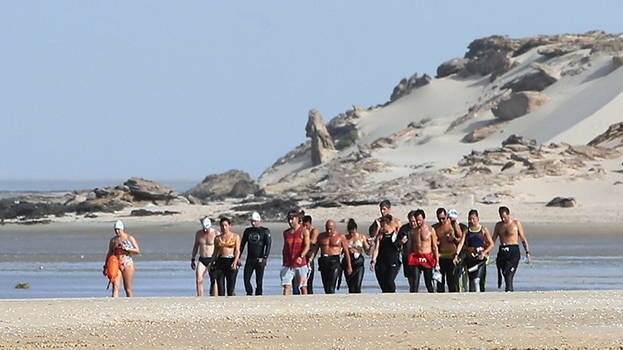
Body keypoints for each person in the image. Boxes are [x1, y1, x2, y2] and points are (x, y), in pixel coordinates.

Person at [493, 206, 531, 292]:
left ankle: (509, 291)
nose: (503, 219)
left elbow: (523, 239)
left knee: (509, 273)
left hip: (513, 251)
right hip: (502, 251)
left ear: (508, 214)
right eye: (501, 217)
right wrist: (486, 252)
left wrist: (527, 253)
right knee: (504, 273)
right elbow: (493, 240)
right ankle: (509, 291)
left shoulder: (516, 224)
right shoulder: (498, 225)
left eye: (504, 217)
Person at [312, 220, 352, 294]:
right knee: (326, 286)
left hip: (334, 261)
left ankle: (332, 299)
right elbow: (315, 250)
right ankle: (328, 301)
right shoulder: (321, 236)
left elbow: (346, 252)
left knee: (331, 285)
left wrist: (349, 266)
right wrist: (310, 260)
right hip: (324, 260)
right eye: (327, 229)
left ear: (334, 228)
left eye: (331, 229)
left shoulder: (340, 236)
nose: (329, 231)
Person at [103, 220, 140, 297]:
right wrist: (106, 266)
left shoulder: (129, 238)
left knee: (127, 288)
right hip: (116, 264)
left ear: (122, 229)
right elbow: (109, 253)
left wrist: (127, 249)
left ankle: (131, 304)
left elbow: (137, 250)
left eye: (118, 229)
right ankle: (114, 304)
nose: (117, 231)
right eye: (115, 229)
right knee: (115, 287)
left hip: (127, 263)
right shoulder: (113, 240)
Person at [370, 215, 407, 293]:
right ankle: (386, 298)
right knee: (383, 283)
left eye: (383, 226)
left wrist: (401, 242)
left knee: (389, 280)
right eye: (381, 226)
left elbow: (401, 245)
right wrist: (373, 261)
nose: (382, 228)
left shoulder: (395, 234)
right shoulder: (380, 236)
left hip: (393, 262)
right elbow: (376, 249)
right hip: (381, 262)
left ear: (388, 224)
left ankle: (393, 295)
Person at [407, 209, 439, 293]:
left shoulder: (430, 230)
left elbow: (435, 246)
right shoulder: (413, 231)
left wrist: (437, 262)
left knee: (428, 281)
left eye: (419, 220)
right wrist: (409, 258)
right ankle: (415, 296)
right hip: (416, 257)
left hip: (427, 256)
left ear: (424, 219)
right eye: (417, 220)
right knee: (415, 280)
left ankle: (431, 294)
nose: (418, 222)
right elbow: (410, 246)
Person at [240, 212, 271, 296]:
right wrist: (238, 257)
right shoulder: (247, 231)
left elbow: (268, 245)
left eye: (255, 221)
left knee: (259, 280)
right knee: (246, 278)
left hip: (260, 258)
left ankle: (259, 294)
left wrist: (265, 257)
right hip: (250, 259)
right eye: (252, 221)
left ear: (259, 221)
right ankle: (249, 292)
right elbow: (242, 245)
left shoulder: (264, 231)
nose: (253, 223)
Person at [433, 208, 464, 293]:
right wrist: (436, 242)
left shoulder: (453, 225)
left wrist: (453, 239)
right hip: (440, 256)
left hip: (451, 256)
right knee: (440, 282)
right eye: (439, 218)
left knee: (451, 281)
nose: (441, 220)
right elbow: (433, 241)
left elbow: (461, 239)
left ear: (447, 216)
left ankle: (453, 297)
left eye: (443, 218)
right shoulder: (435, 227)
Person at [462, 209, 494, 292]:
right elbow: (461, 244)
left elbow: (491, 244)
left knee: (479, 280)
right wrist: (456, 255)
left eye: (473, 218)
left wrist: (484, 253)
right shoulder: (466, 231)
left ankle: (481, 297)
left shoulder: (483, 229)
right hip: (470, 258)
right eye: (469, 219)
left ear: (477, 218)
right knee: (472, 280)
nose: (472, 221)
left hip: (481, 259)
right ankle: (472, 298)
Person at [281, 210, 311, 295]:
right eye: (288, 219)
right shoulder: (286, 233)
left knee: (302, 286)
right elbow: (285, 247)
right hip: (288, 263)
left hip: (301, 263)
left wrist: (301, 256)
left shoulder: (304, 231)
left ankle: (305, 302)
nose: (290, 221)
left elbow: (307, 246)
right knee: (286, 285)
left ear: (297, 219)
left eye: (292, 219)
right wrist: (284, 260)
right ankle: (285, 302)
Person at [212, 217, 241, 296]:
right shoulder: (217, 238)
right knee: (221, 287)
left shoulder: (235, 236)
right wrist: (211, 262)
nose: (224, 227)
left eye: (225, 225)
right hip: (221, 261)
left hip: (231, 260)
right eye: (222, 226)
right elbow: (215, 252)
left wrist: (235, 262)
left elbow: (237, 251)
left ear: (229, 226)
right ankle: (222, 304)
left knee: (230, 287)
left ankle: (231, 303)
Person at [191, 217, 218, 296]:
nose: (205, 230)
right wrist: (193, 258)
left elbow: (220, 247)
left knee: (214, 280)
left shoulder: (216, 233)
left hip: (212, 259)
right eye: (204, 228)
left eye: (207, 228)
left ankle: (215, 297)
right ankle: (200, 297)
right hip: (202, 259)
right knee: (199, 279)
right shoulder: (199, 234)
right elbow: (196, 246)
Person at [343, 219, 370, 293]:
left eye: (353, 232)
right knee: (351, 286)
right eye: (350, 232)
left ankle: (358, 299)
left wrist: (370, 245)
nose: (352, 234)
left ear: (356, 229)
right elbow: (342, 251)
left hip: (358, 262)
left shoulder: (361, 237)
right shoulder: (345, 238)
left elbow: (368, 251)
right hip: (348, 260)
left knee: (357, 285)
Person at [447, 209, 469, 292]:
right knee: (452, 276)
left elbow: (461, 240)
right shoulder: (445, 226)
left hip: (461, 253)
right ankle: (454, 290)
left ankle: (462, 290)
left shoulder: (462, 227)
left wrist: (454, 238)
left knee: (461, 274)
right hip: (450, 254)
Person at [302, 215, 320, 294]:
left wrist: (304, 236)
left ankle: (309, 295)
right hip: (302, 257)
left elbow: (312, 241)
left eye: (306, 225)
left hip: (310, 257)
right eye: (304, 225)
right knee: (301, 281)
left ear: (310, 223)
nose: (305, 227)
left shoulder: (314, 231)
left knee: (309, 281)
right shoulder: (303, 231)